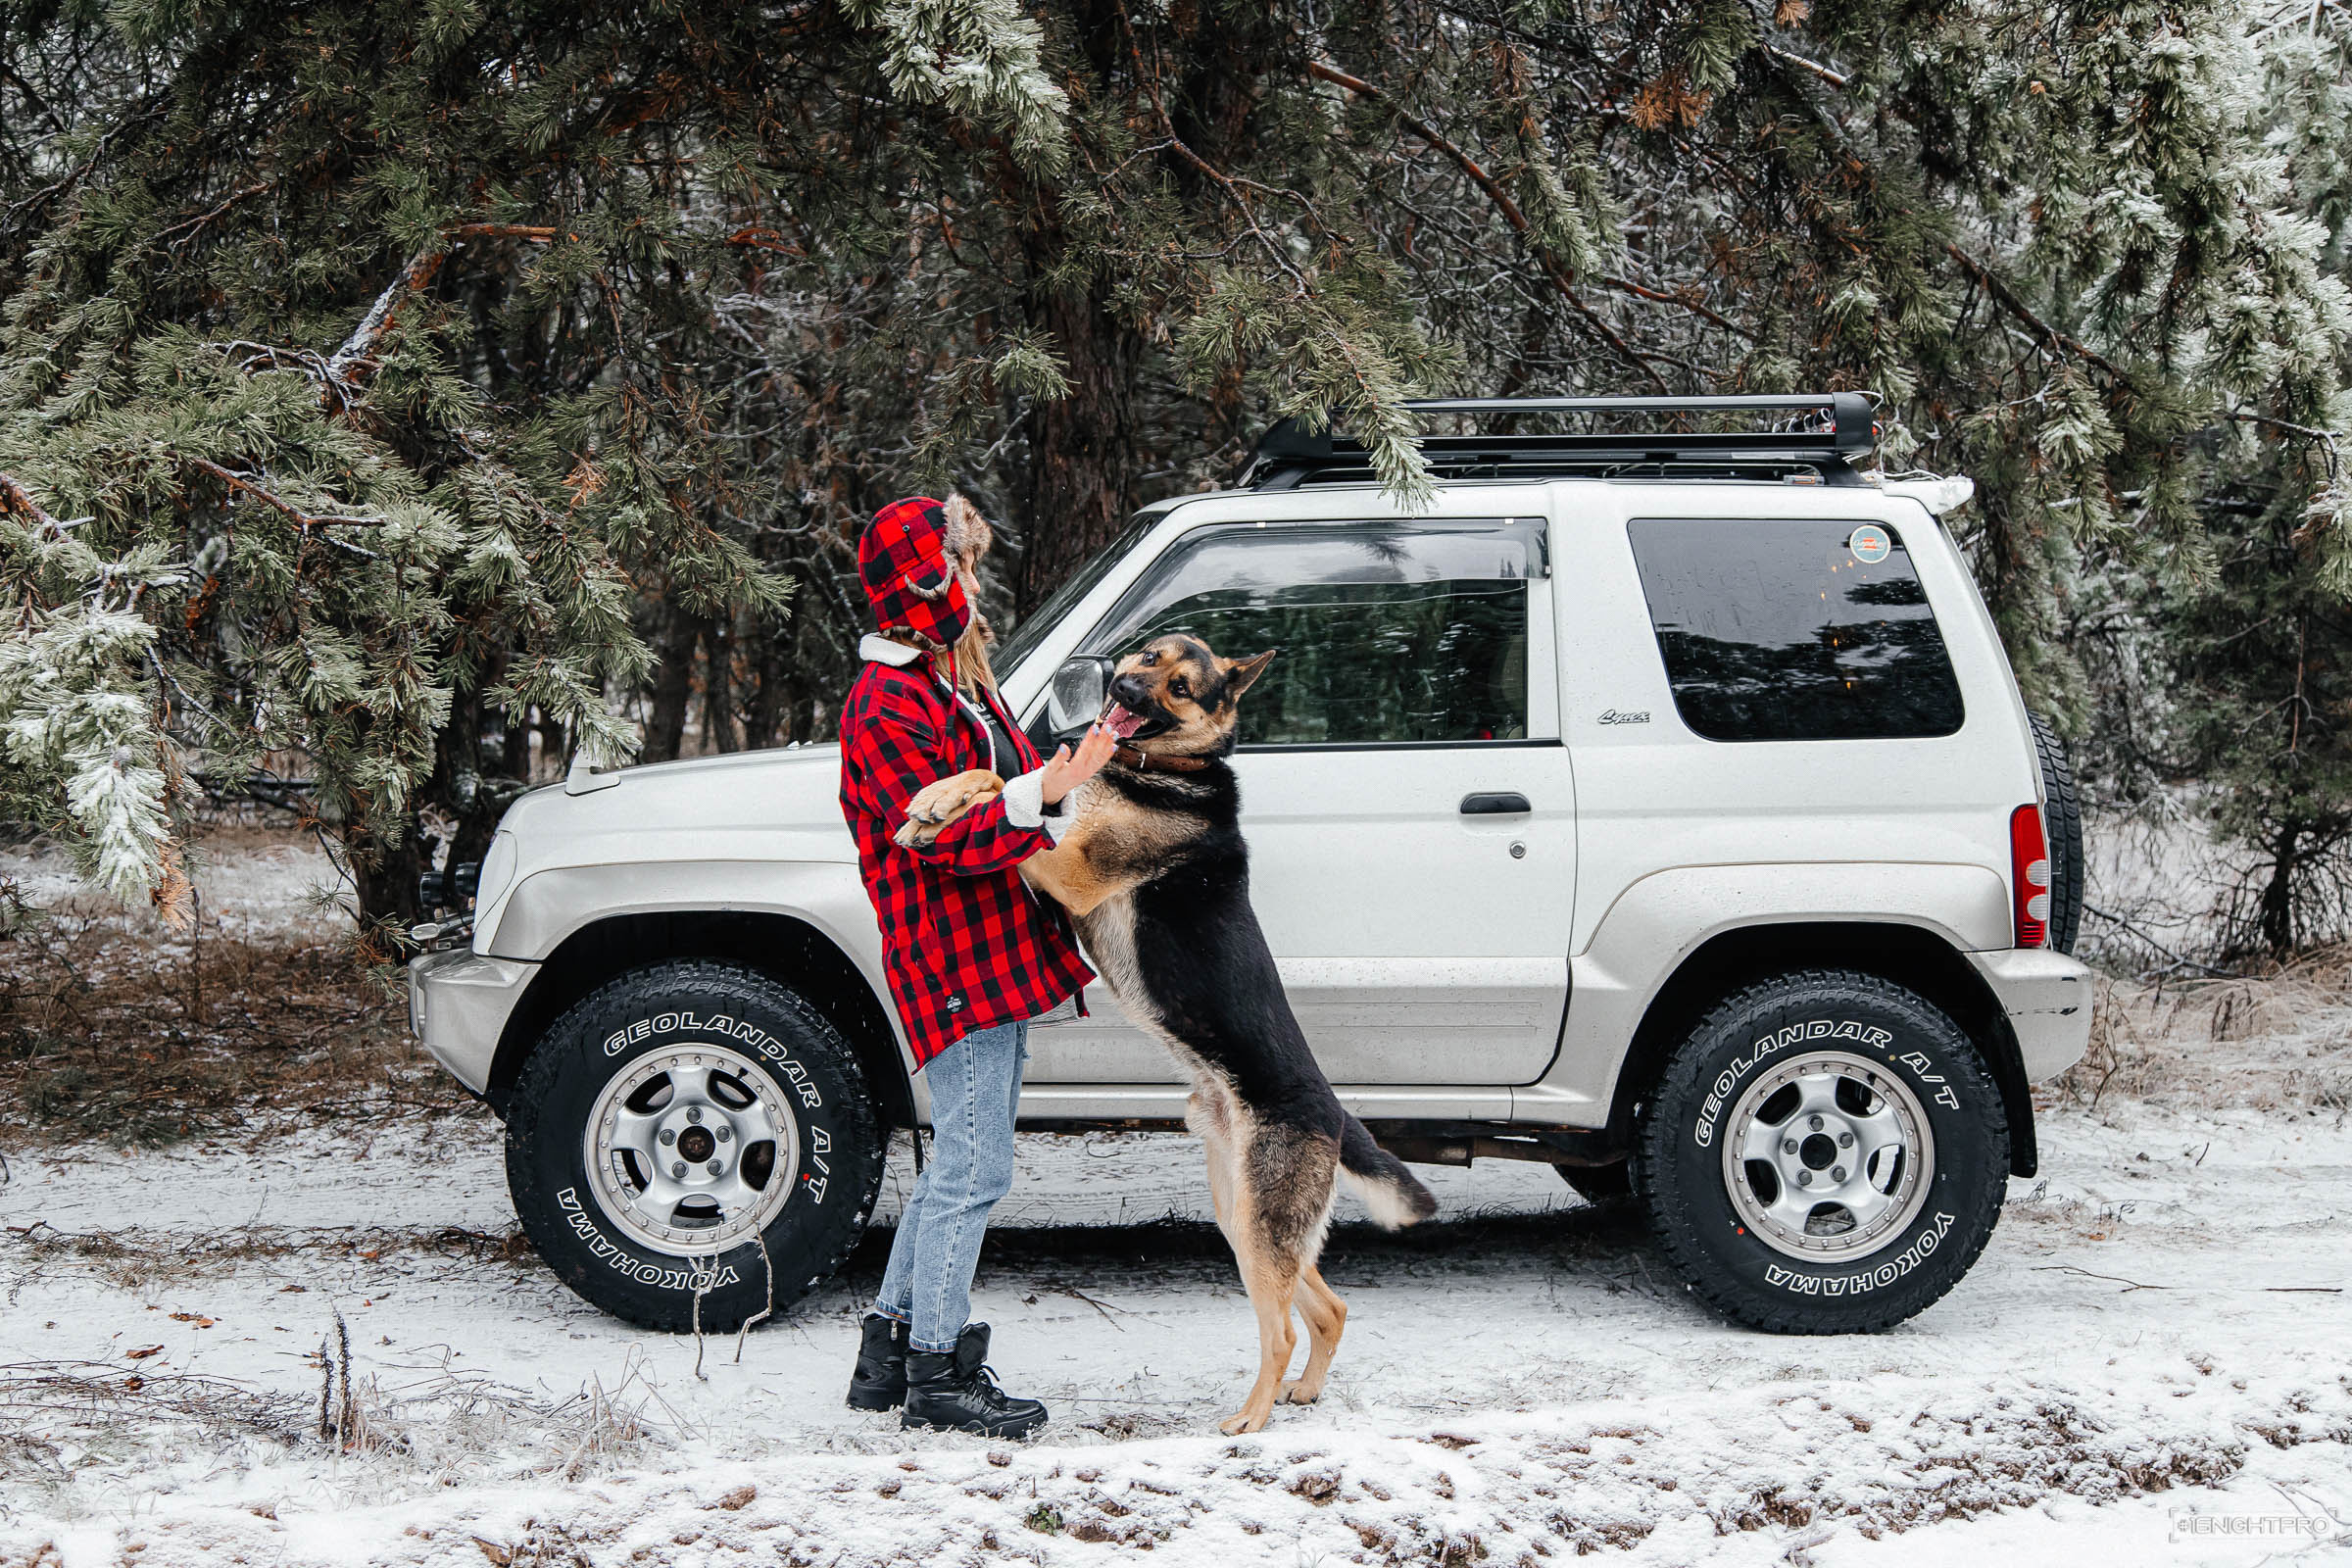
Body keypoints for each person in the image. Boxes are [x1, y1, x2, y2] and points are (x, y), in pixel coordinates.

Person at [836, 494, 1116, 1438]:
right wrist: (1055, 786)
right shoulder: (886, 704)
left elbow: (1010, 770)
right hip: (950, 955)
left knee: (960, 1160)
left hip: (992, 945)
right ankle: (937, 1373)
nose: (967, 584)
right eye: (953, 568)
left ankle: (889, 1346)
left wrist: (1065, 769)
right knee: (974, 1167)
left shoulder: (949, 679)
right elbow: (945, 838)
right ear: (918, 585)